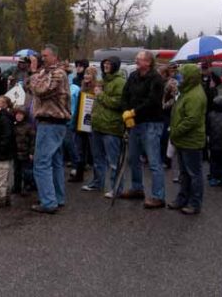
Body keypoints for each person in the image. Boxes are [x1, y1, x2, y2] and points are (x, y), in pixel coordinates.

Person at [27, 44, 71, 214]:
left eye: (45, 56)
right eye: (41, 55)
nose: (42, 58)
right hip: (48, 123)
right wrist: (34, 74)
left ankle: (48, 202)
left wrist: (33, 72)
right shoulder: (45, 73)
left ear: (55, 57)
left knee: (41, 163)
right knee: (55, 162)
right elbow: (29, 88)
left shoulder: (58, 74)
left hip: (52, 123)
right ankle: (57, 197)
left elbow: (41, 90)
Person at [120, 51, 167, 209]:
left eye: (139, 59)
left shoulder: (156, 79)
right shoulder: (133, 76)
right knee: (133, 158)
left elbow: (152, 101)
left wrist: (135, 112)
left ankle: (158, 196)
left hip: (151, 122)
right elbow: (125, 94)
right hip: (135, 123)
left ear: (148, 62)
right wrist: (127, 112)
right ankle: (137, 188)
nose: (136, 61)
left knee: (154, 161)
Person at [167, 64, 207, 215]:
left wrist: (175, 131)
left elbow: (191, 120)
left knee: (194, 174)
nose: (180, 78)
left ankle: (195, 203)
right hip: (182, 139)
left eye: (182, 75)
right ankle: (182, 198)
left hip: (191, 140)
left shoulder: (196, 95)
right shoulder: (186, 91)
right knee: (184, 173)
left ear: (190, 77)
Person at [83, 57, 125, 196]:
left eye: (109, 64)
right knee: (97, 158)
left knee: (113, 161)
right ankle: (97, 183)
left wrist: (100, 95)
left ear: (115, 66)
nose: (106, 66)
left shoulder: (120, 82)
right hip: (97, 125)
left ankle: (116, 188)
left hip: (111, 127)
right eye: (105, 64)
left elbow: (118, 103)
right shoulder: (102, 81)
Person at [12, 105, 35, 195]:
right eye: (17, 114)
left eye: (21, 114)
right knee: (16, 171)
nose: (19, 116)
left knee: (27, 172)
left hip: (26, 153)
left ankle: (27, 186)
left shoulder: (29, 127)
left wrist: (31, 152)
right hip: (16, 152)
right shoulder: (14, 126)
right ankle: (17, 186)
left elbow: (33, 141)